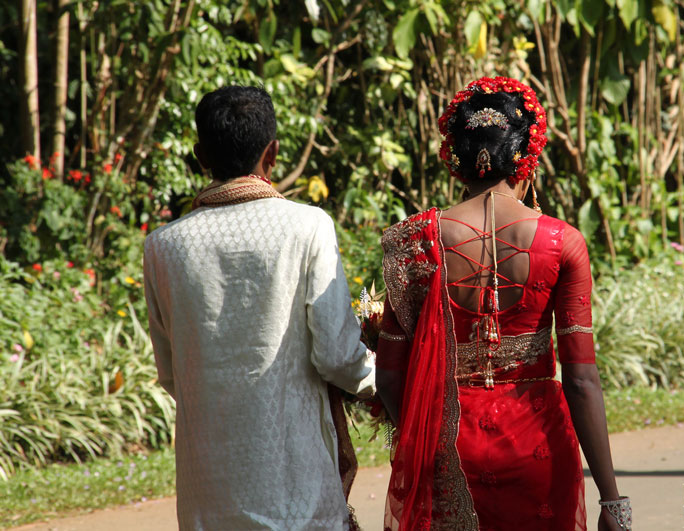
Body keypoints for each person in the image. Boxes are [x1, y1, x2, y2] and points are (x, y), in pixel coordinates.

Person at [375, 77, 630, 531]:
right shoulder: (563, 243)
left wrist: (426, 446)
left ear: (455, 160)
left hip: (446, 446)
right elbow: (582, 380)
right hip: (537, 447)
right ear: (527, 159)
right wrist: (612, 500)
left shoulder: (412, 241)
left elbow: (390, 377)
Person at [143, 85, 375, 530]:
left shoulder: (163, 247)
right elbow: (338, 356)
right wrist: (389, 380)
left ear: (199, 156)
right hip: (297, 486)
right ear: (272, 153)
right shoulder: (307, 227)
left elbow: (174, 374)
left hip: (207, 491)